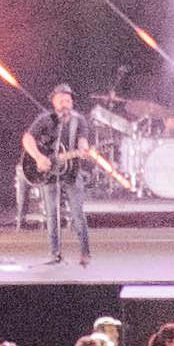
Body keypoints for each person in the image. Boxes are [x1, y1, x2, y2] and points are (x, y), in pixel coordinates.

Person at [25, 87, 114, 267]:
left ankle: (85, 254)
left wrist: (84, 151)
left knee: (78, 214)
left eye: (68, 100)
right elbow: (27, 138)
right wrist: (39, 157)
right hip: (49, 174)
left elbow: (82, 141)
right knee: (51, 214)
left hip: (71, 172)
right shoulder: (45, 119)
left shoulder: (78, 121)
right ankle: (55, 253)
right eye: (61, 100)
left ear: (72, 102)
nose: (65, 104)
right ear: (54, 102)